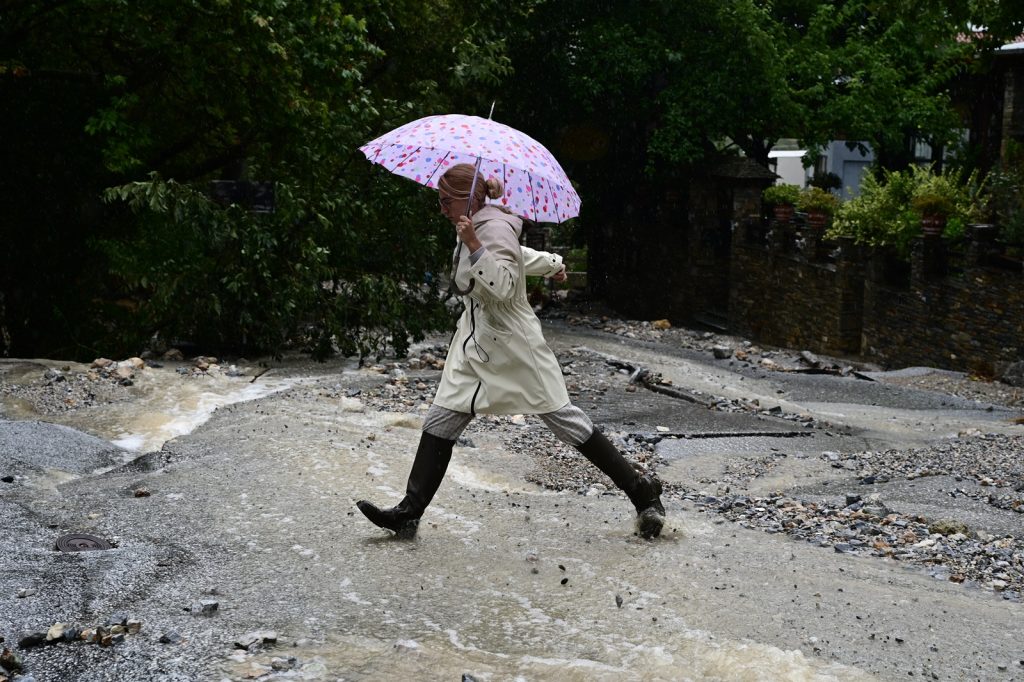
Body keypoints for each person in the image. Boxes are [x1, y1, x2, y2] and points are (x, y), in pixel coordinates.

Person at [356, 163, 665, 539]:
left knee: (564, 420)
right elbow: (516, 256)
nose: (441, 209)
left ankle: (641, 490)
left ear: (466, 198)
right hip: (477, 341)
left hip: (514, 344)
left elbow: (502, 284)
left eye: (445, 201)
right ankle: (409, 511)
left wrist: (472, 244)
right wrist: (552, 264)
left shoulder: (488, 226)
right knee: (441, 419)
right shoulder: (477, 222)